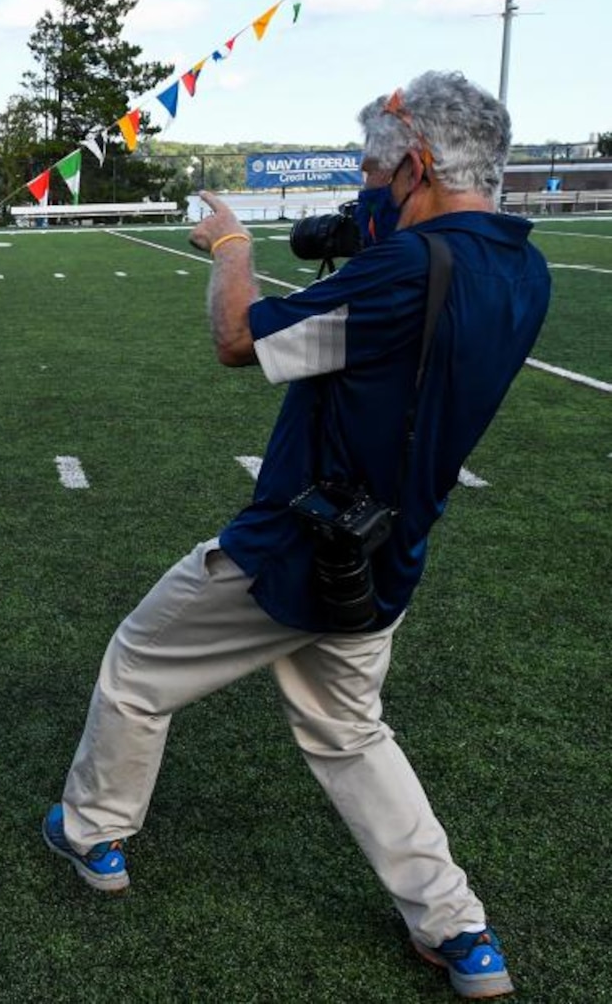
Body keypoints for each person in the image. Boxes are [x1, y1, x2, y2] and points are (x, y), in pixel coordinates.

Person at [42, 72, 550, 1001]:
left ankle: (90, 831)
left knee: (137, 668)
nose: (366, 187)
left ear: (420, 166)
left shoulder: (401, 270)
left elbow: (241, 337)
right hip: (390, 543)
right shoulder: (521, 266)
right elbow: (397, 323)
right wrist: (365, 230)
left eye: (374, 170)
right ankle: (457, 931)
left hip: (298, 539)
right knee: (350, 731)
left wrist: (230, 243)